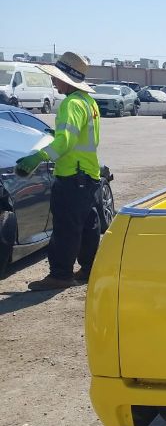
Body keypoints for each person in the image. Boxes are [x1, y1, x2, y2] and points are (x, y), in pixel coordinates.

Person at [15, 51, 101, 291]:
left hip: (72, 175)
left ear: (66, 79)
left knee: (66, 227)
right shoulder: (88, 102)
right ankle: (89, 268)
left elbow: (65, 143)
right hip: (89, 174)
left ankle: (61, 275)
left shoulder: (70, 104)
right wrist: (58, 135)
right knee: (88, 225)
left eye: (56, 78)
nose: (53, 82)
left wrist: (39, 156)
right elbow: (80, 137)